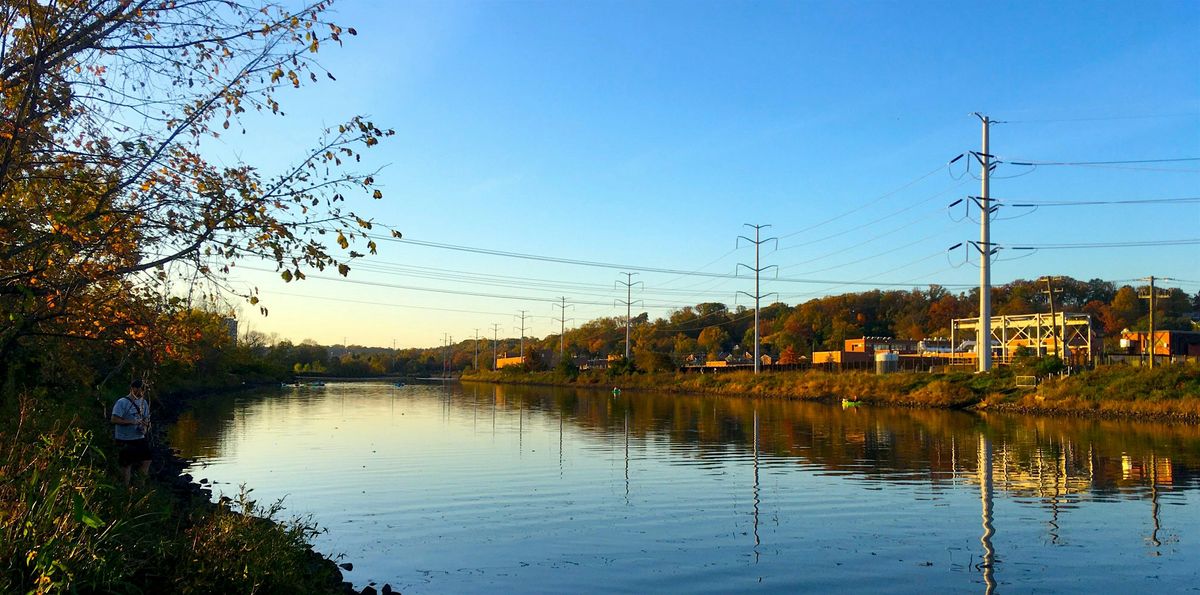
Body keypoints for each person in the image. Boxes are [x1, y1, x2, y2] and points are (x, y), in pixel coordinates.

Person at [112, 378, 152, 485]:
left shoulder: (144, 403)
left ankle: (140, 485)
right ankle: (125, 488)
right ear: (133, 388)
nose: (142, 392)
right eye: (140, 389)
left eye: (143, 390)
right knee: (126, 464)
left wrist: (145, 428)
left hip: (139, 438)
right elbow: (114, 419)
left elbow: (147, 420)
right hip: (124, 439)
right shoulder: (122, 402)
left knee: (147, 460)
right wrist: (131, 422)